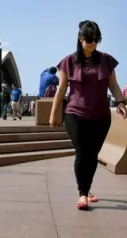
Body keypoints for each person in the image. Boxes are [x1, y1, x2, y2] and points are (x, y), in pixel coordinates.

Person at [49, 20, 127, 210]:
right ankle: (82, 194)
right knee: (82, 153)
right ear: (80, 38)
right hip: (75, 114)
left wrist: (121, 102)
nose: (93, 44)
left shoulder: (106, 60)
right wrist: (53, 114)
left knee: (92, 155)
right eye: (89, 40)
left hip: (100, 116)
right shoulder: (68, 61)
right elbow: (61, 90)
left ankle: (86, 188)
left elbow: (113, 85)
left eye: (96, 40)